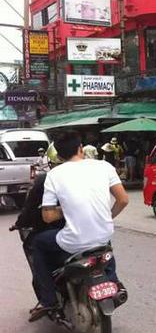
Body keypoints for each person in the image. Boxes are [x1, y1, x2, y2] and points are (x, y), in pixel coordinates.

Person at [29, 130, 129, 321]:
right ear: (80, 148)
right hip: (103, 235)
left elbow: (48, 216)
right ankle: (114, 280)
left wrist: (65, 209)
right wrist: (107, 216)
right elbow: (123, 200)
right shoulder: (104, 166)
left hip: (73, 242)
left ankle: (48, 299)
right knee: (102, 240)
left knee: (38, 244)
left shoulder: (54, 175)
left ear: (58, 155)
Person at [12, 144, 65, 304]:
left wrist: (20, 223)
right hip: (96, 230)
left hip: (65, 231)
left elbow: (38, 212)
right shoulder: (91, 174)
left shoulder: (46, 180)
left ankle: (48, 299)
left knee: (37, 245)